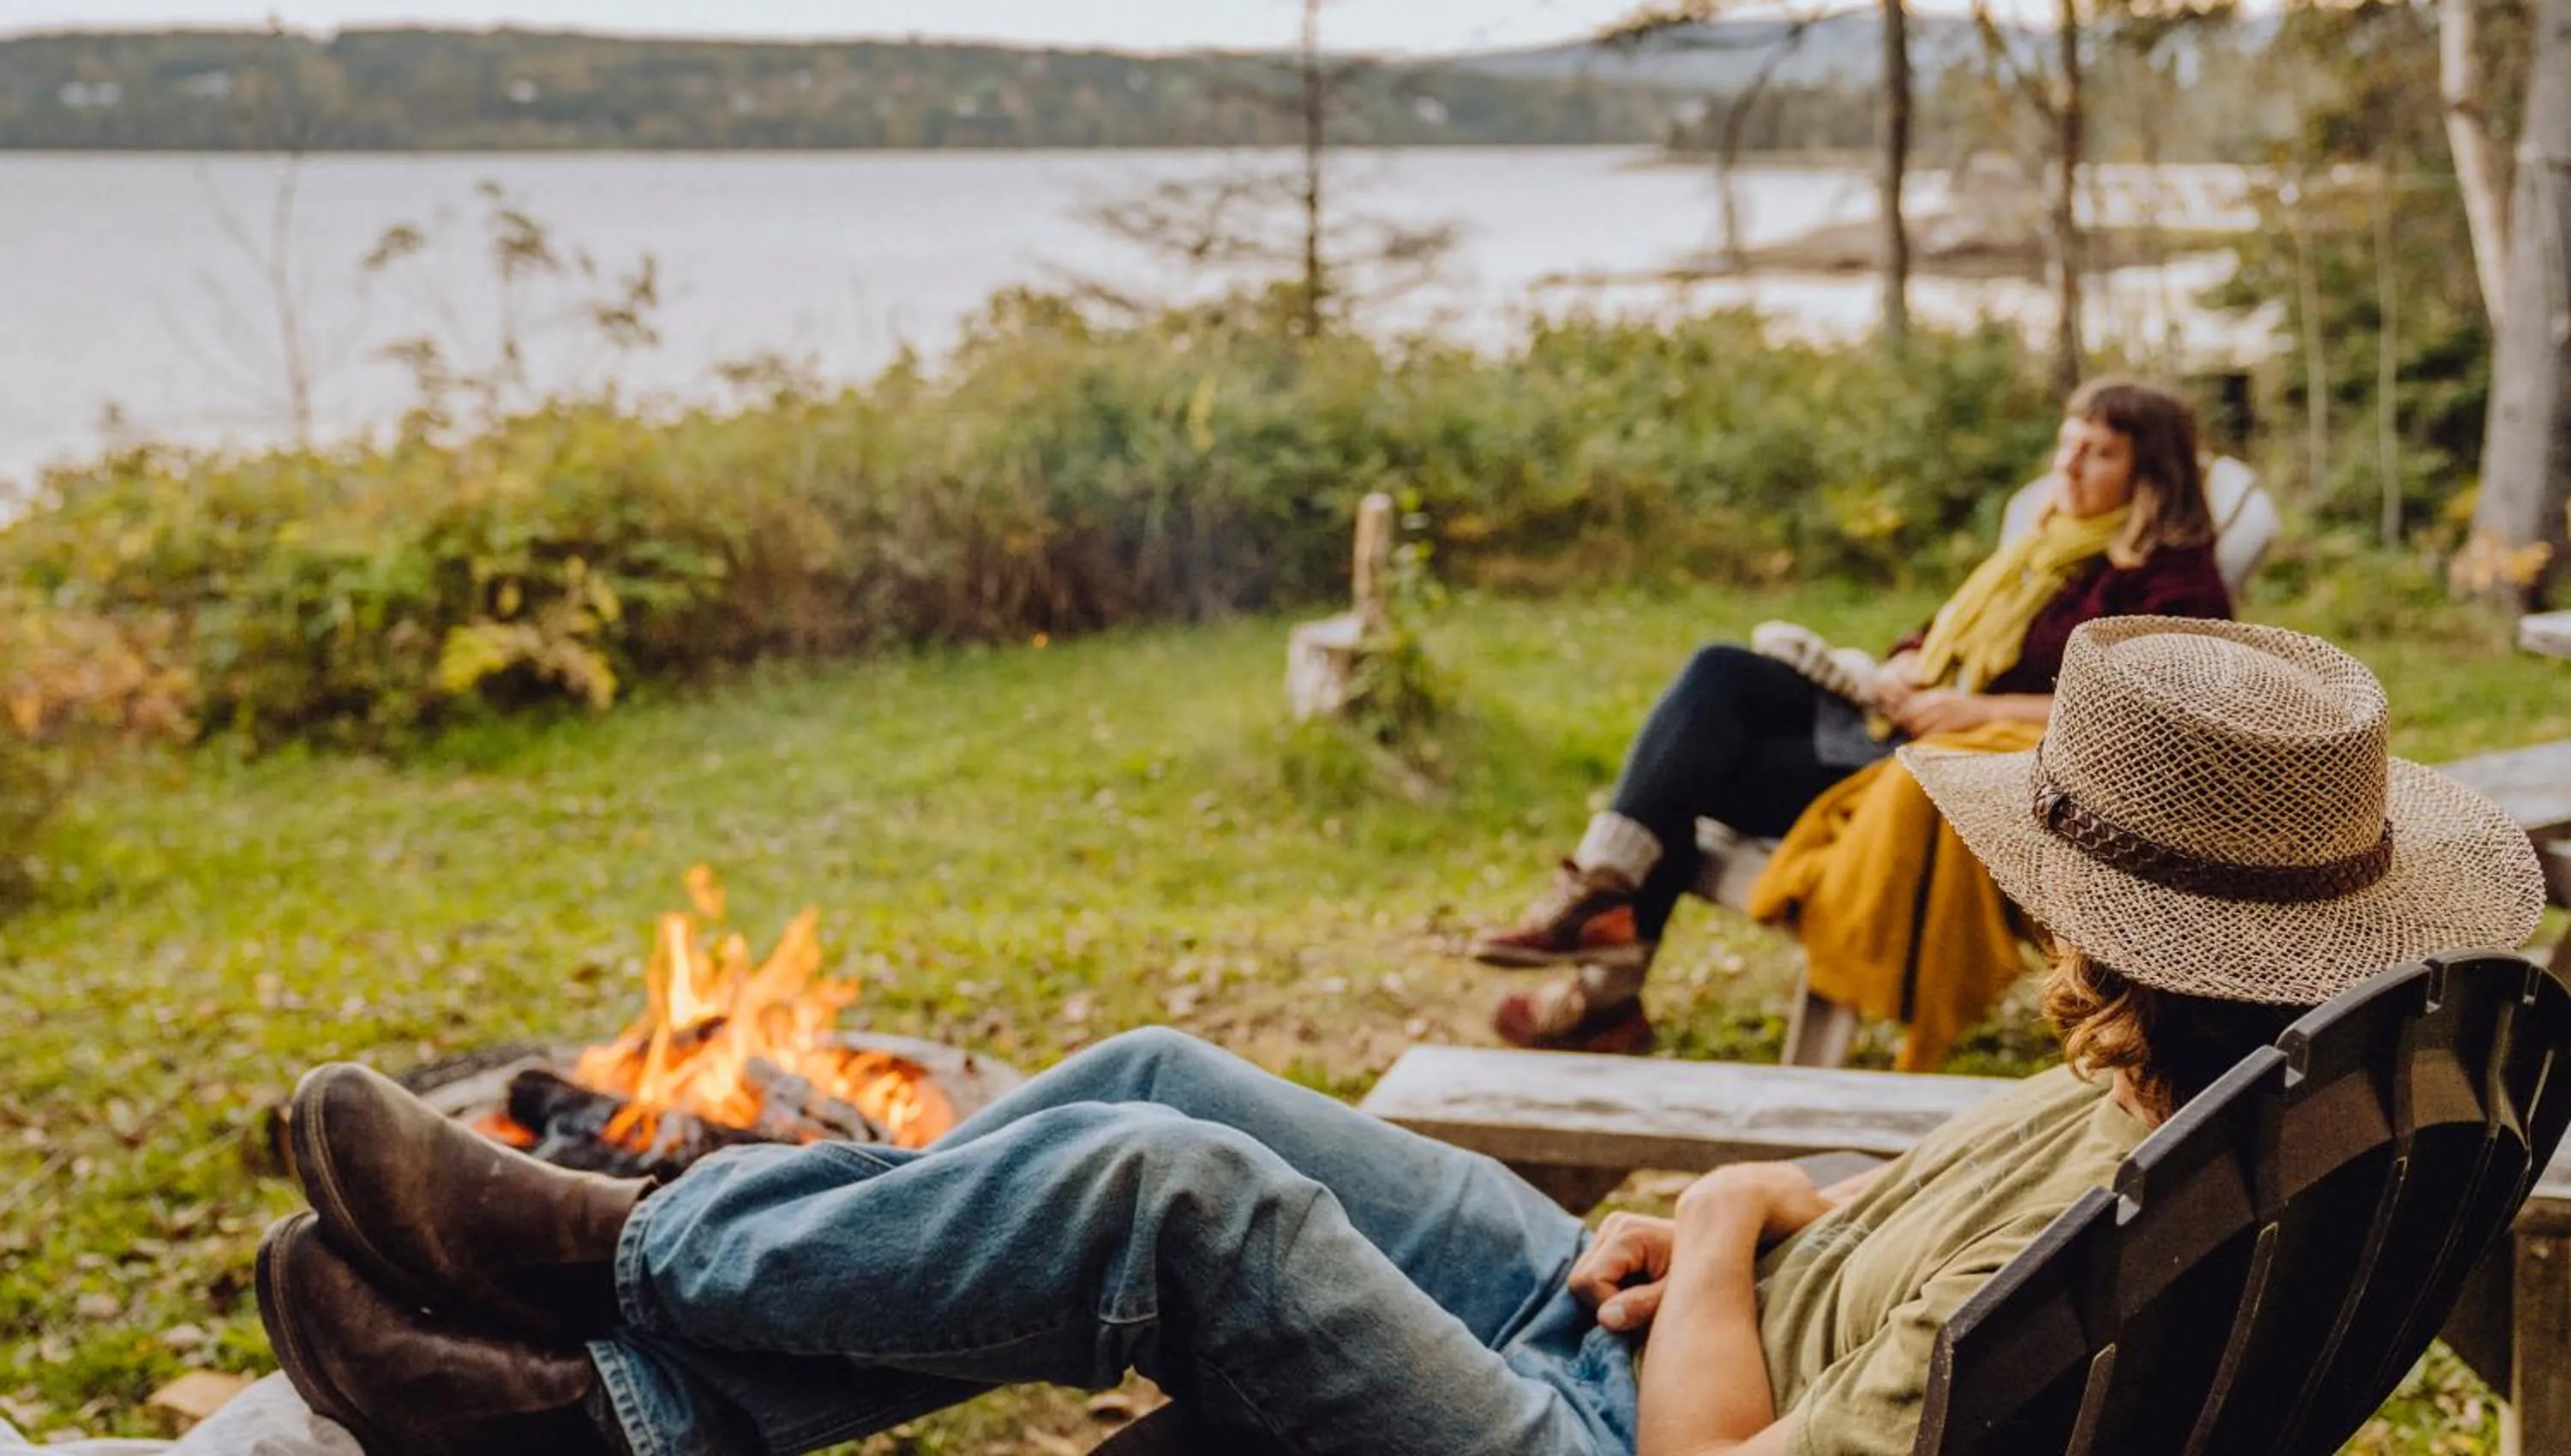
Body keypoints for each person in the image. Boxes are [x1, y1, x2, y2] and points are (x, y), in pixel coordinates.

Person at [251, 618, 2541, 1456]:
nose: (2052, 957)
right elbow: (1981, 1272)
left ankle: (620, 1276)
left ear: (2139, 940)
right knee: (1158, 1071)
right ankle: (640, 1411)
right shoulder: (2240, 1100)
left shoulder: (2185, 1121)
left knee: (1173, 1200)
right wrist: (1753, 1242)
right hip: (1648, 1330)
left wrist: (1729, 1219)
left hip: (1621, 1430)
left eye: (2074, 924)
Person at [1471, 376, 2234, 1054]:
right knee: (1721, 671)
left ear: (2152, 474)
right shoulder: (2045, 549)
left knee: (1690, 767)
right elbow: (1939, 633)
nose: (2066, 467)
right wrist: (1905, 664)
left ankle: (1603, 972)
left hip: (1955, 780)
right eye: (2067, 445)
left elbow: (2153, 713)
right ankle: (1605, 899)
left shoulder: (2175, 583)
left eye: (2098, 453)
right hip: (1900, 726)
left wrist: (1974, 709)